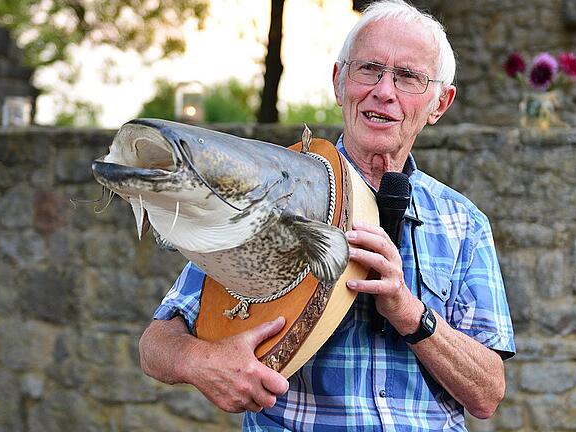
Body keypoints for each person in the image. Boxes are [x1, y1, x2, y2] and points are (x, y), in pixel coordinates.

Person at [138, 1, 515, 430]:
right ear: (339, 82)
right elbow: (156, 343)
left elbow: (487, 394)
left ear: (439, 103)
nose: (384, 91)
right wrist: (203, 362)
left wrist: (408, 311)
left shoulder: (464, 222)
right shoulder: (277, 191)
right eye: (369, 68)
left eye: (408, 77)